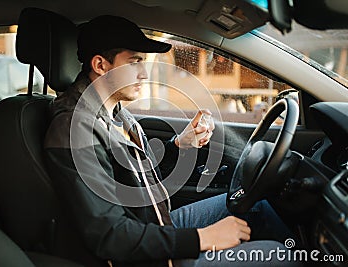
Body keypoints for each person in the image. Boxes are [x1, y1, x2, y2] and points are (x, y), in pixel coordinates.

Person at [44, 15, 300, 267]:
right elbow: (110, 236)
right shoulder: (73, 129)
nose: (144, 73)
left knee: (258, 207)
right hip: (145, 258)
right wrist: (203, 238)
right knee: (278, 254)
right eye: (134, 62)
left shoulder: (115, 111)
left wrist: (180, 145)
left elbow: (134, 177)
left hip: (157, 224)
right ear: (101, 65)